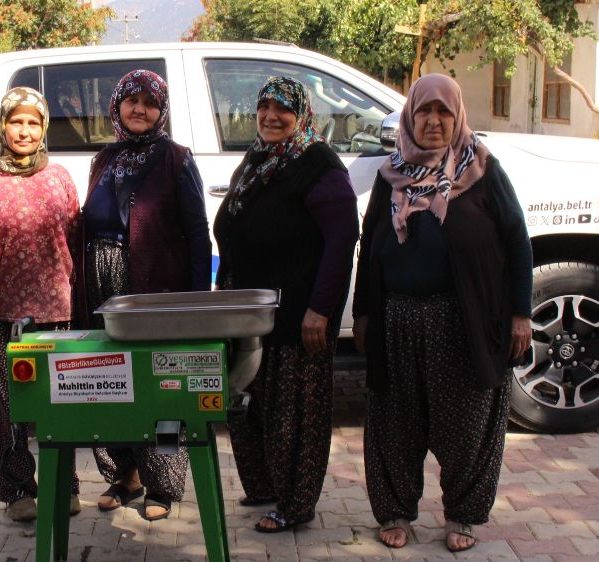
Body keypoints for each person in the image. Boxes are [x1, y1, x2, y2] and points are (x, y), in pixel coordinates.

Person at [353, 73, 532, 552]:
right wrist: (365, 312)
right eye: (424, 112)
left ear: (457, 117)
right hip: (397, 319)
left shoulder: (484, 170)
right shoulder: (390, 172)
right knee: (394, 419)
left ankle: (464, 514)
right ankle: (394, 511)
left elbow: (517, 241)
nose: (433, 121)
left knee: (467, 422)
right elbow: (369, 243)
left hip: (463, 320)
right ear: (410, 116)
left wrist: (521, 313)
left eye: (443, 112)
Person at [213, 76, 359, 533]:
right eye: (265, 107)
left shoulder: (316, 163)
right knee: (251, 404)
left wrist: (320, 310)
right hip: (251, 311)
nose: (272, 117)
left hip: (298, 315)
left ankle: (295, 505)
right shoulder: (259, 158)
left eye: (284, 109)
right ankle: (264, 486)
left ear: (302, 115)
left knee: (293, 413)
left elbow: (342, 239)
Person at [78, 69, 211, 521]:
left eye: (150, 102)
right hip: (103, 283)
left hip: (155, 288)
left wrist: (195, 304)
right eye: (131, 101)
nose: (140, 109)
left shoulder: (177, 158)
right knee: (111, 378)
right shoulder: (105, 158)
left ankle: (164, 484)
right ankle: (125, 473)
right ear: (116, 107)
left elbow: (197, 234)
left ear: (161, 110)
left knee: (160, 383)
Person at [0, 87, 83, 522]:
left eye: (33, 122)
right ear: (2, 125)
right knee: (10, 409)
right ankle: (17, 492)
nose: (25, 130)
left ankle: (65, 485)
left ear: (44, 127)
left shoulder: (61, 178)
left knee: (61, 405)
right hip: (4, 315)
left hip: (58, 313)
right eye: (17, 121)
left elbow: (74, 242)